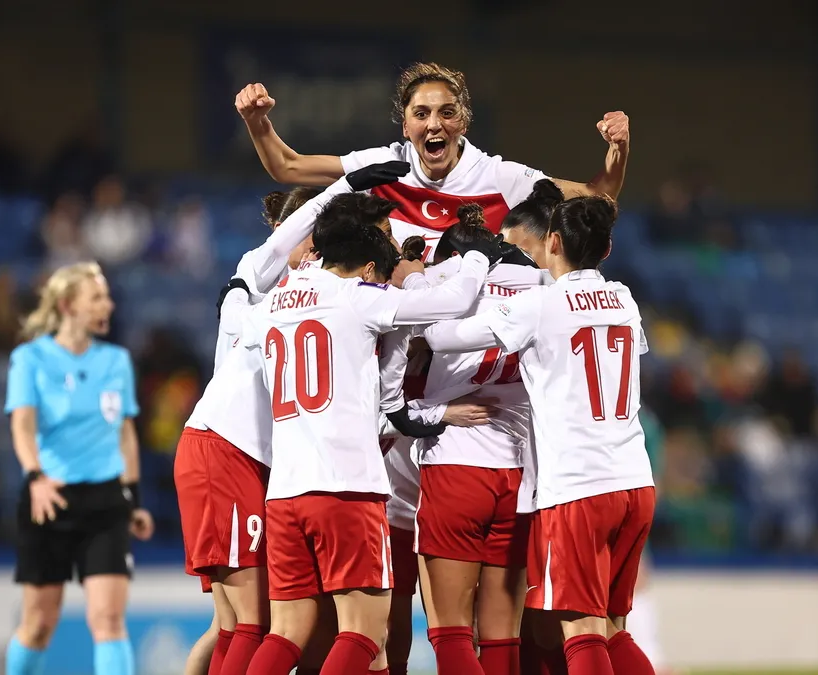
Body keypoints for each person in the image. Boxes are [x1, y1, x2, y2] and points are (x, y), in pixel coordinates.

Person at [237, 194, 502, 675]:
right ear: (364, 266)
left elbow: (236, 315)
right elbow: (454, 301)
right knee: (362, 631)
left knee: (286, 631)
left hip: (285, 492)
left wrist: (238, 285)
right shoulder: (359, 297)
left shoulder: (272, 303)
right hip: (346, 488)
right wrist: (480, 253)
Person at [173, 161, 411, 675]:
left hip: (266, 465)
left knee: (244, 625)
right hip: (232, 449)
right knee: (254, 625)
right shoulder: (303, 287)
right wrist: (344, 188)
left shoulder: (274, 295)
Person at [425, 196, 656, 675]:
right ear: (607, 249)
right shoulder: (625, 299)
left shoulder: (540, 304)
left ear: (551, 241)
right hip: (635, 479)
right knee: (614, 627)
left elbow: (440, 339)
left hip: (577, 485)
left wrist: (449, 282)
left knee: (581, 630)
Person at [235, 62, 629, 251]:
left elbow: (599, 198)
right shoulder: (383, 166)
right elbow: (287, 166)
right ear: (405, 127)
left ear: (464, 121)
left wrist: (618, 149)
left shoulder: (499, 177)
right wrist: (257, 121)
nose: (434, 124)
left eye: (447, 112)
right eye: (421, 114)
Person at [400, 205, 547, 675]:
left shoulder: (444, 280)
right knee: (503, 636)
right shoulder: (542, 285)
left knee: (452, 632)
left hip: (455, 466)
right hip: (520, 474)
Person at [3, 262, 155, 675]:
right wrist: (35, 477)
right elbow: (22, 425)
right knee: (38, 625)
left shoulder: (116, 361)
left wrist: (134, 499)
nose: (108, 304)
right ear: (69, 305)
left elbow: (126, 434)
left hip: (106, 501)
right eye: (97, 297)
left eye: (106, 295)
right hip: (48, 498)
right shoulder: (30, 358)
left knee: (108, 620)